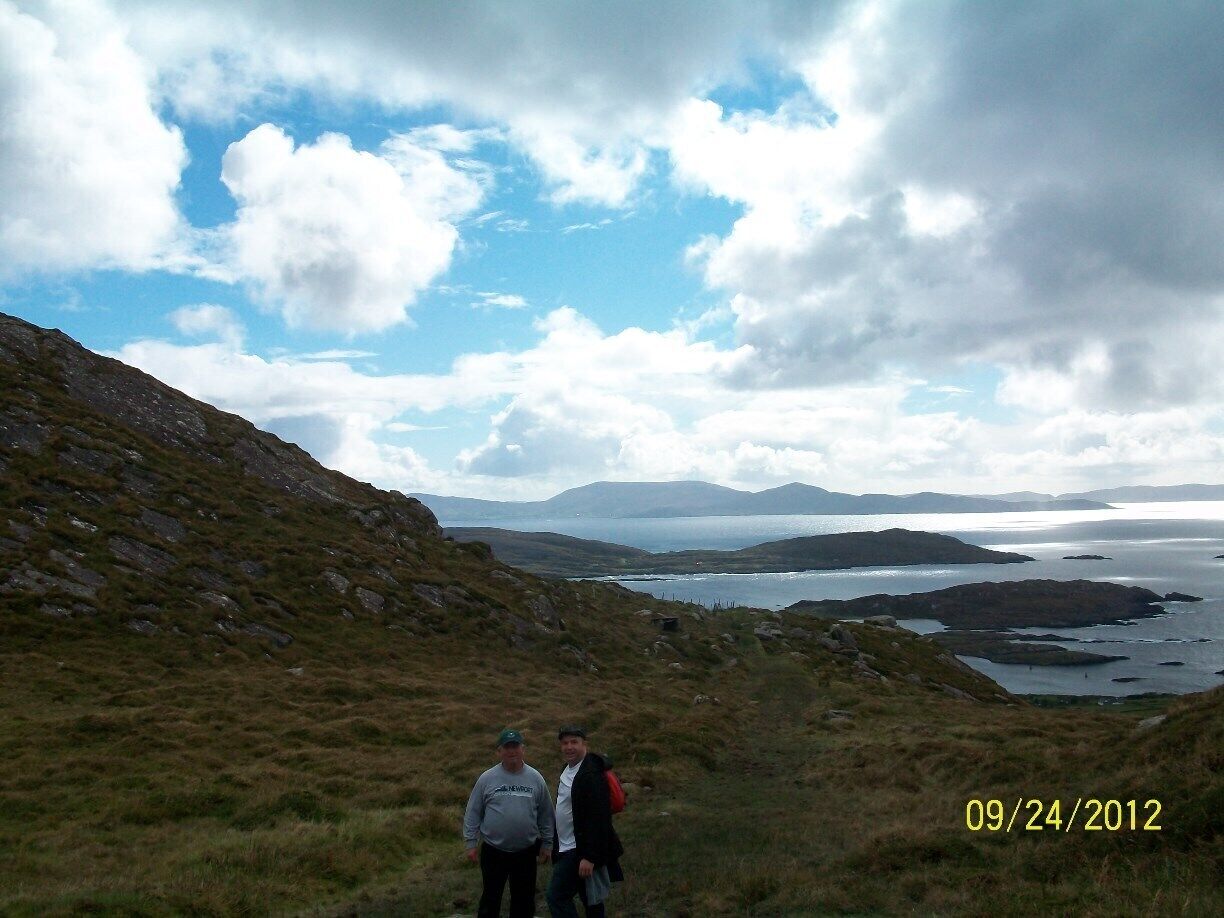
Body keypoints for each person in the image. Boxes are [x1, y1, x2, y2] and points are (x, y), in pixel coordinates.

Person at [463, 728, 554, 918]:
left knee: (524, 900)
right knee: (491, 898)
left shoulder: (536, 778)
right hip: (494, 851)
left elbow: (546, 813)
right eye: (507, 747)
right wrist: (470, 843)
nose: (512, 751)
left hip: (526, 852)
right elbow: (473, 812)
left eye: (515, 747)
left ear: (523, 749)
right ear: (499, 751)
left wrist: (547, 843)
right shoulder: (487, 778)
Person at [546, 725, 624, 918]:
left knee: (556, 897)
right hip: (567, 848)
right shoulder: (568, 769)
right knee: (590, 898)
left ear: (585, 744)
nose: (569, 747)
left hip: (578, 849)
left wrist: (589, 857)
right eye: (565, 743)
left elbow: (599, 818)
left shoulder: (591, 774)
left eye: (574, 742)